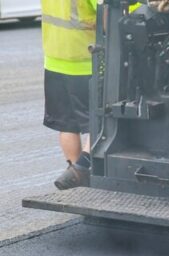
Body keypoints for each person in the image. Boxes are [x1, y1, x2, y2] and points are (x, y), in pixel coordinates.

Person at [41, 0, 97, 190]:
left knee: (67, 124)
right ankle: (82, 167)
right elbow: (109, 10)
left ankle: (75, 174)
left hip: (54, 58)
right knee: (98, 120)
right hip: (84, 59)